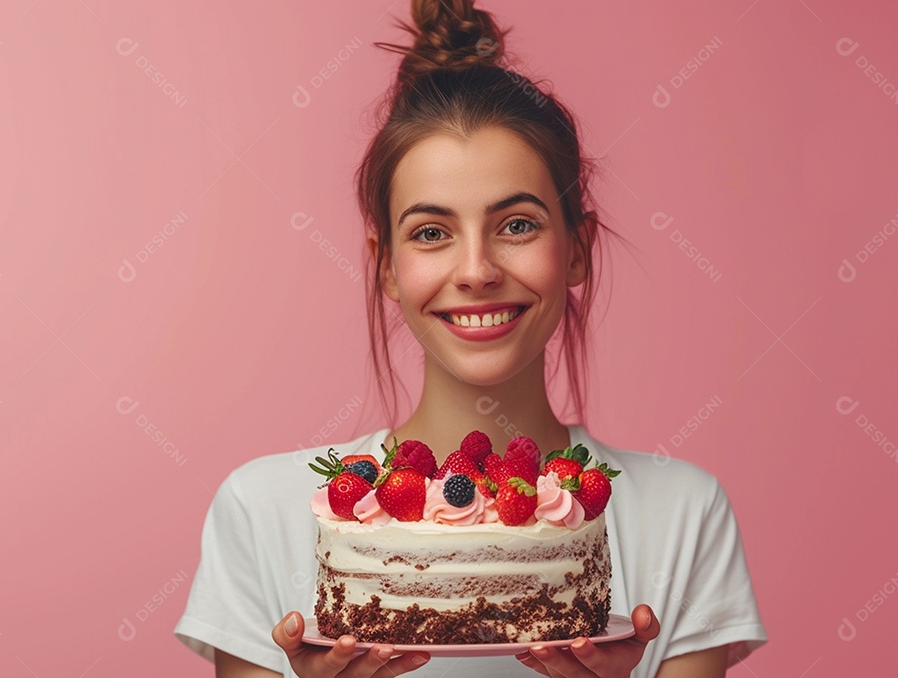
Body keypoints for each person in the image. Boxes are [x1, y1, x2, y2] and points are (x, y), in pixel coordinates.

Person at [174, 1, 768, 675]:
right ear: (387, 266)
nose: (478, 271)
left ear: (577, 249)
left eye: (517, 224)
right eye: (432, 233)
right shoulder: (263, 509)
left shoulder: (683, 513)